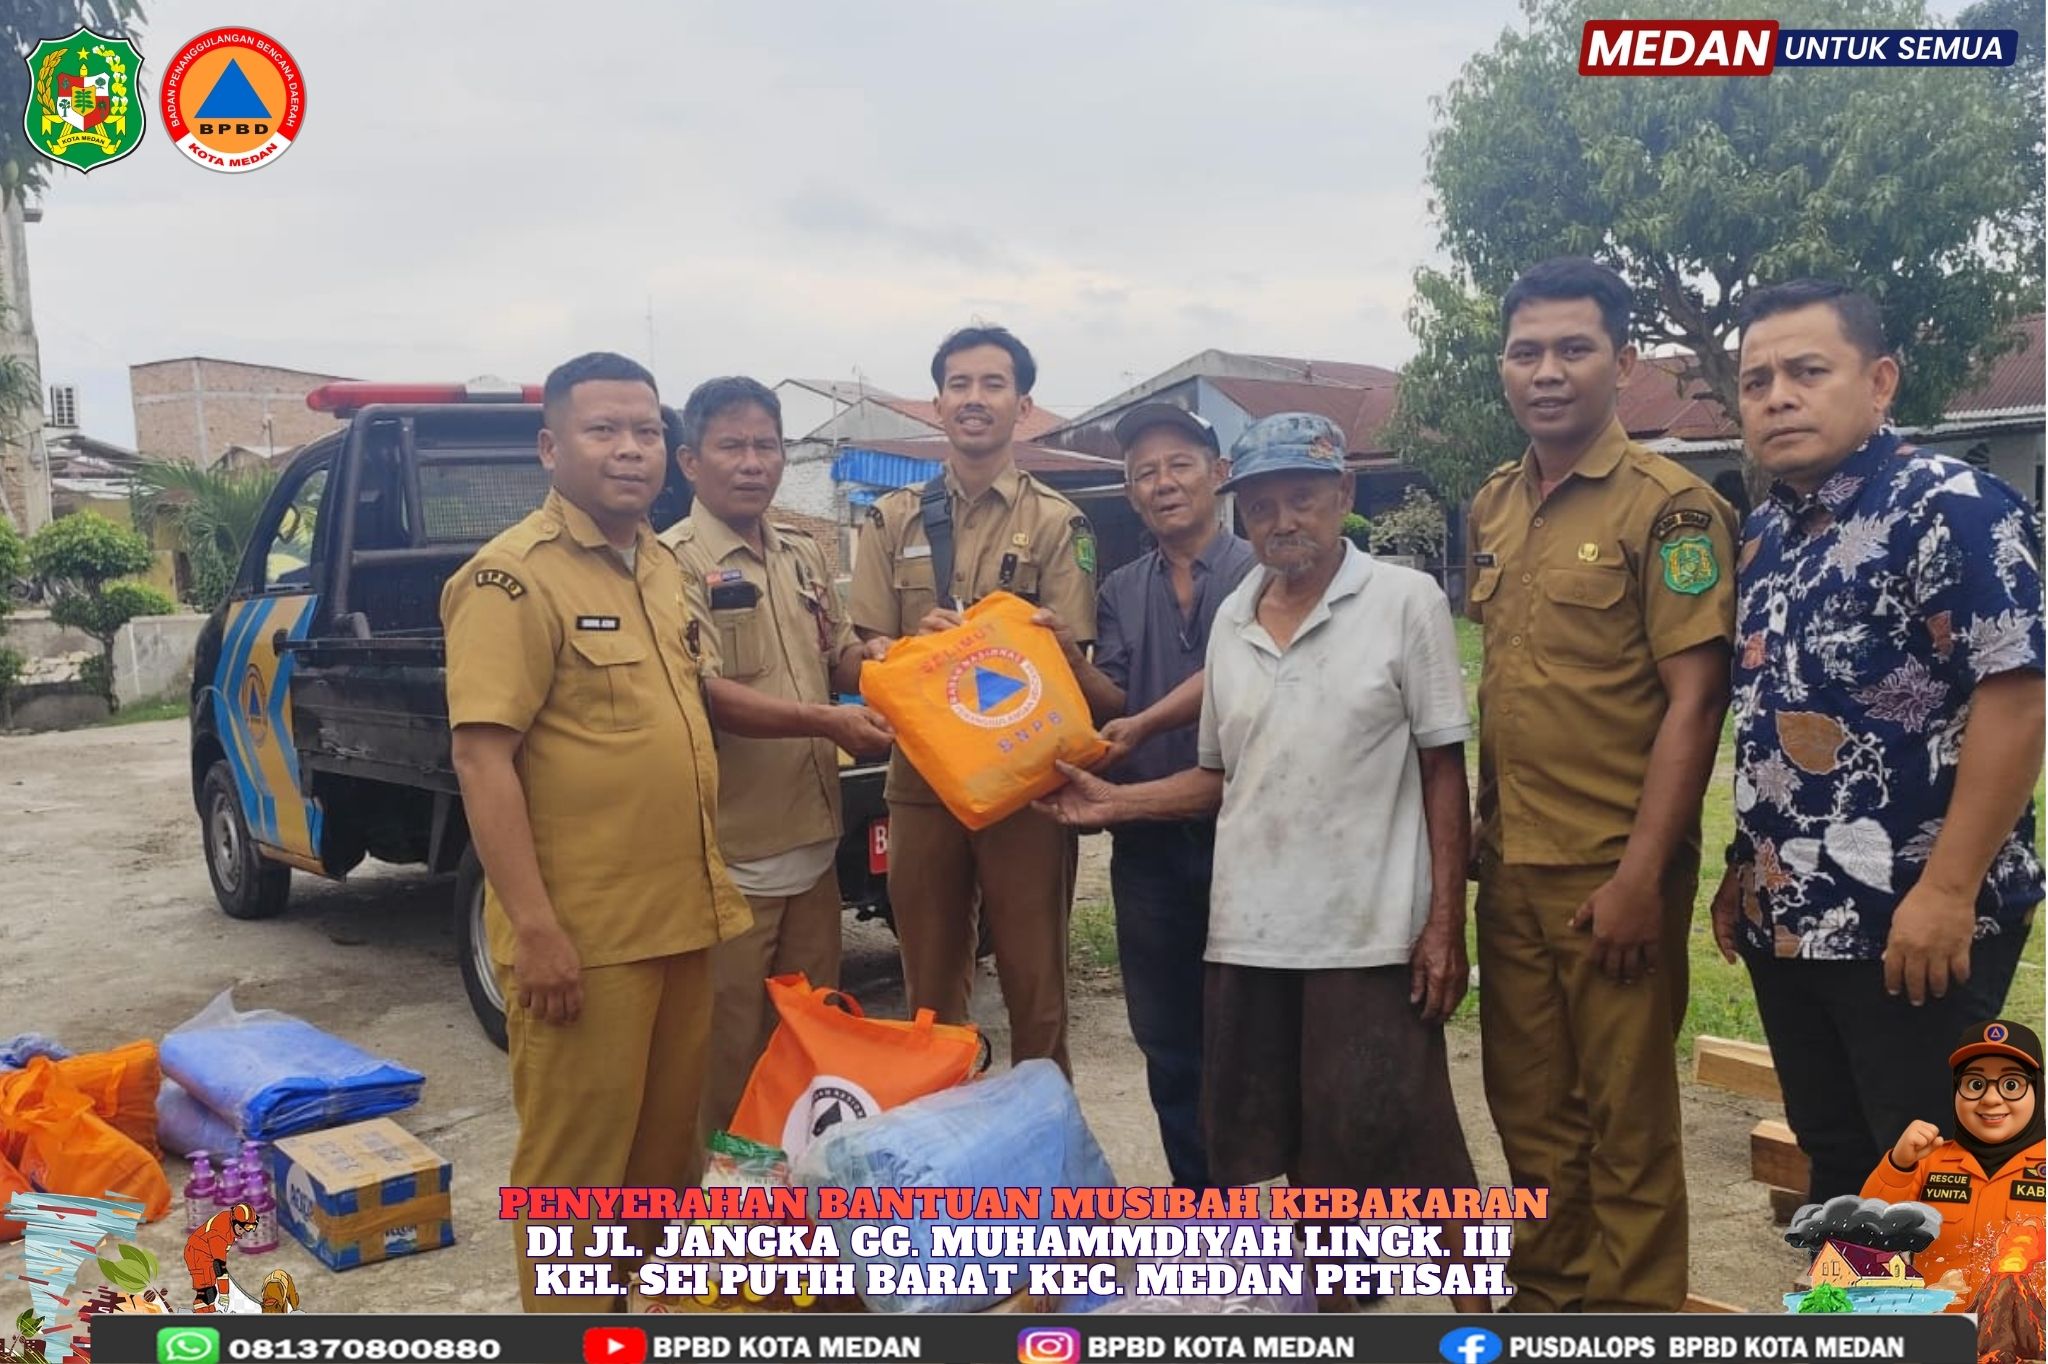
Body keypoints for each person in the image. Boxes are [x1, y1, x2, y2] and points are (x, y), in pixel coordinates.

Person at [1038, 412, 1486, 1311]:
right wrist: (1114, 804)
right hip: (1249, 935)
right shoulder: (1235, 621)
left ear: (1343, 494)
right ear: (1241, 511)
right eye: (1265, 505)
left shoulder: (1404, 601)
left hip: (1365, 933)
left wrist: (1445, 924)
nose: (1284, 521)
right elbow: (1219, 778)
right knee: (1295, 1147)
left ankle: (1479, 1315)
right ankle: (1339, 1310)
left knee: (1414, 1140)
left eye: (1304, 499)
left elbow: (1443, 768)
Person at [1711, 279, 2044, 1202]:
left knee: (1934, 1174)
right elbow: (1777, 710)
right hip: (1793, 917)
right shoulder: (1767, 534)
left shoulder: (1952, 506)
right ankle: (1854, 1297)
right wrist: (1743, 867)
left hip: (1914, 922)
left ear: (1880, 381)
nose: (1778, 396)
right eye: (1756, 381)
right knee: (1838, 1160)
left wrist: (1948, 890)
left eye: (1807, 371)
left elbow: (2018, 698)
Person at [442, 352, 754, 1312]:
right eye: (604, 430)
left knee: (662, 1171)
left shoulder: (661, 565)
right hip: (585, 939)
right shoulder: (511, 580)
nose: (631, 450)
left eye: (647, 431)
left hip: (682, 919)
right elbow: (482, 761)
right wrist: (535, 930)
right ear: (551, 447)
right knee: (575, 1186)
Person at [1465, 257, 1737, 1312]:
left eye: (1573, 349)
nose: (1546, 371)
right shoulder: (1495, 503)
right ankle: (1546, 1298)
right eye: (1525, 351)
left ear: (1621, 363)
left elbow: (1694, 703)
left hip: (1610, 873)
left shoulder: (1671, 510)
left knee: (1625, 1124)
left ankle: (1628, 1319)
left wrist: (1639, 879)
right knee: (1530, 1109)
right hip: (1511, 865)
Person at [848, 325, 1097, 1072]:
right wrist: (913, 648)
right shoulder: (891, 519)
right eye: (959, 385)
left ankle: (1043, 1120)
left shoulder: (1058, 522)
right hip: (922, 783)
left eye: (993, 384)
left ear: (1023, 405)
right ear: (937, 404)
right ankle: (942, 1126)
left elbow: (1071, 654)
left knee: (1035, 984)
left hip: (1026, 783)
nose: (974, 398)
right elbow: (868, 649)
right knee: (928, 991)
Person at [657, 376, 892, 1141]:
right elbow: (705, 695)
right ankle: (727, 1209)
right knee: (728, 1059)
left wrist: (888, 664)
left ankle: (797, 1198)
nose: (753, 462)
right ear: (691, 461)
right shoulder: (671, 565)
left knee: (809, 1049)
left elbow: (837, 655)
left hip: (813, 848)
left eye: (766, 445)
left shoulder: (801, 554)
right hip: (733, 861)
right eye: (732, 446)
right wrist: (827, 722)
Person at [1033, 402, 1255, 1189]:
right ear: (1130, 495)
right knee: (1169, 1045)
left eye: (1179, 465)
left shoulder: (1262, 573)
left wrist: (1139, 723)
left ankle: (1283, 1218)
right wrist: (1068, 657)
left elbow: (1238, 672)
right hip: (1149, 846)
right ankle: (1206, 1216)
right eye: (1145, 474)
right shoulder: (1123, 588)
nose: (1164, 484)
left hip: (1250, 840)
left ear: (1218, 475)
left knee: (1257, 1039)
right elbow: (1114, 701)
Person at [1862, 1020, 2044, 1309]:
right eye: (1975, 1084)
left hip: (2026, 1335)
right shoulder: (1926, 1162)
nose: (1991, 1099)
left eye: (2011, 1084)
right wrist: (1899, 1165)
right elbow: (1867, 1235)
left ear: (2038, 1090)